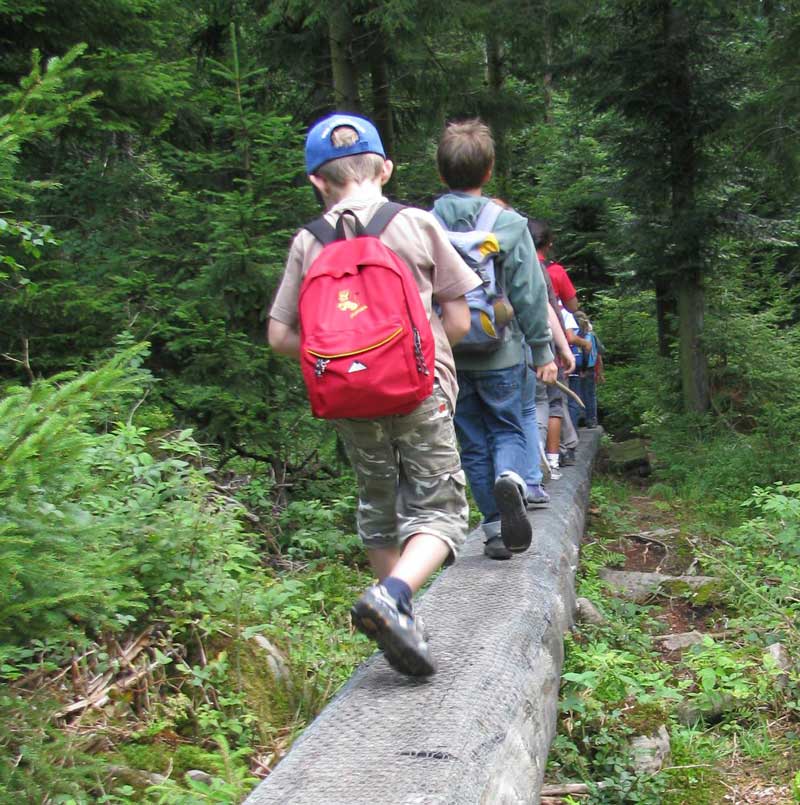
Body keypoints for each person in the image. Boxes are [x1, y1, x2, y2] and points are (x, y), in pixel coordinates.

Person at [268, 113, 480, 677]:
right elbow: (459, 317)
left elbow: (280, 335)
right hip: (420, 388)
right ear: (385, 167)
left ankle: (400, 619)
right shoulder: (415, 223)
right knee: (442, 512)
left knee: (378, 503)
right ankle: (393, 598)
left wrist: (346, 360)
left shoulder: (308, 241)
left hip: (350, 398)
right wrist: (417, 346)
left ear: (318, 180)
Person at [432, 119, 557, 560]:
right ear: (488, 172)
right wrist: (542, 350)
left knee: (471, 440)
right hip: (501, 349)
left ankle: (493, 531)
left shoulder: (422, 223)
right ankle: (512, 477)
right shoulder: (507, 222)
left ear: (441, 172)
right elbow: (528, 291)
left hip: (449, 353)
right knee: (506, 427)